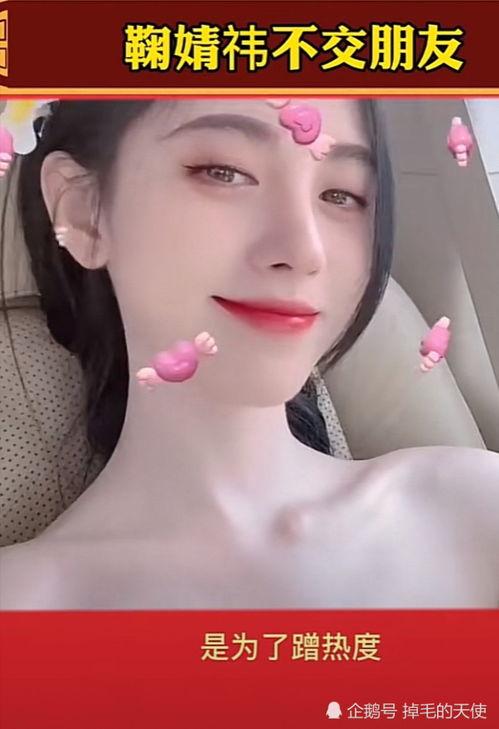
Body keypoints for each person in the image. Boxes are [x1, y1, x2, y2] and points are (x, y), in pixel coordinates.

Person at [0, 98, 498, 609]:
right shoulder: (24, 606)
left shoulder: (475, 507)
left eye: (342, 195)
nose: (305, 251)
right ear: (83, 212)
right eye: (225, 172)